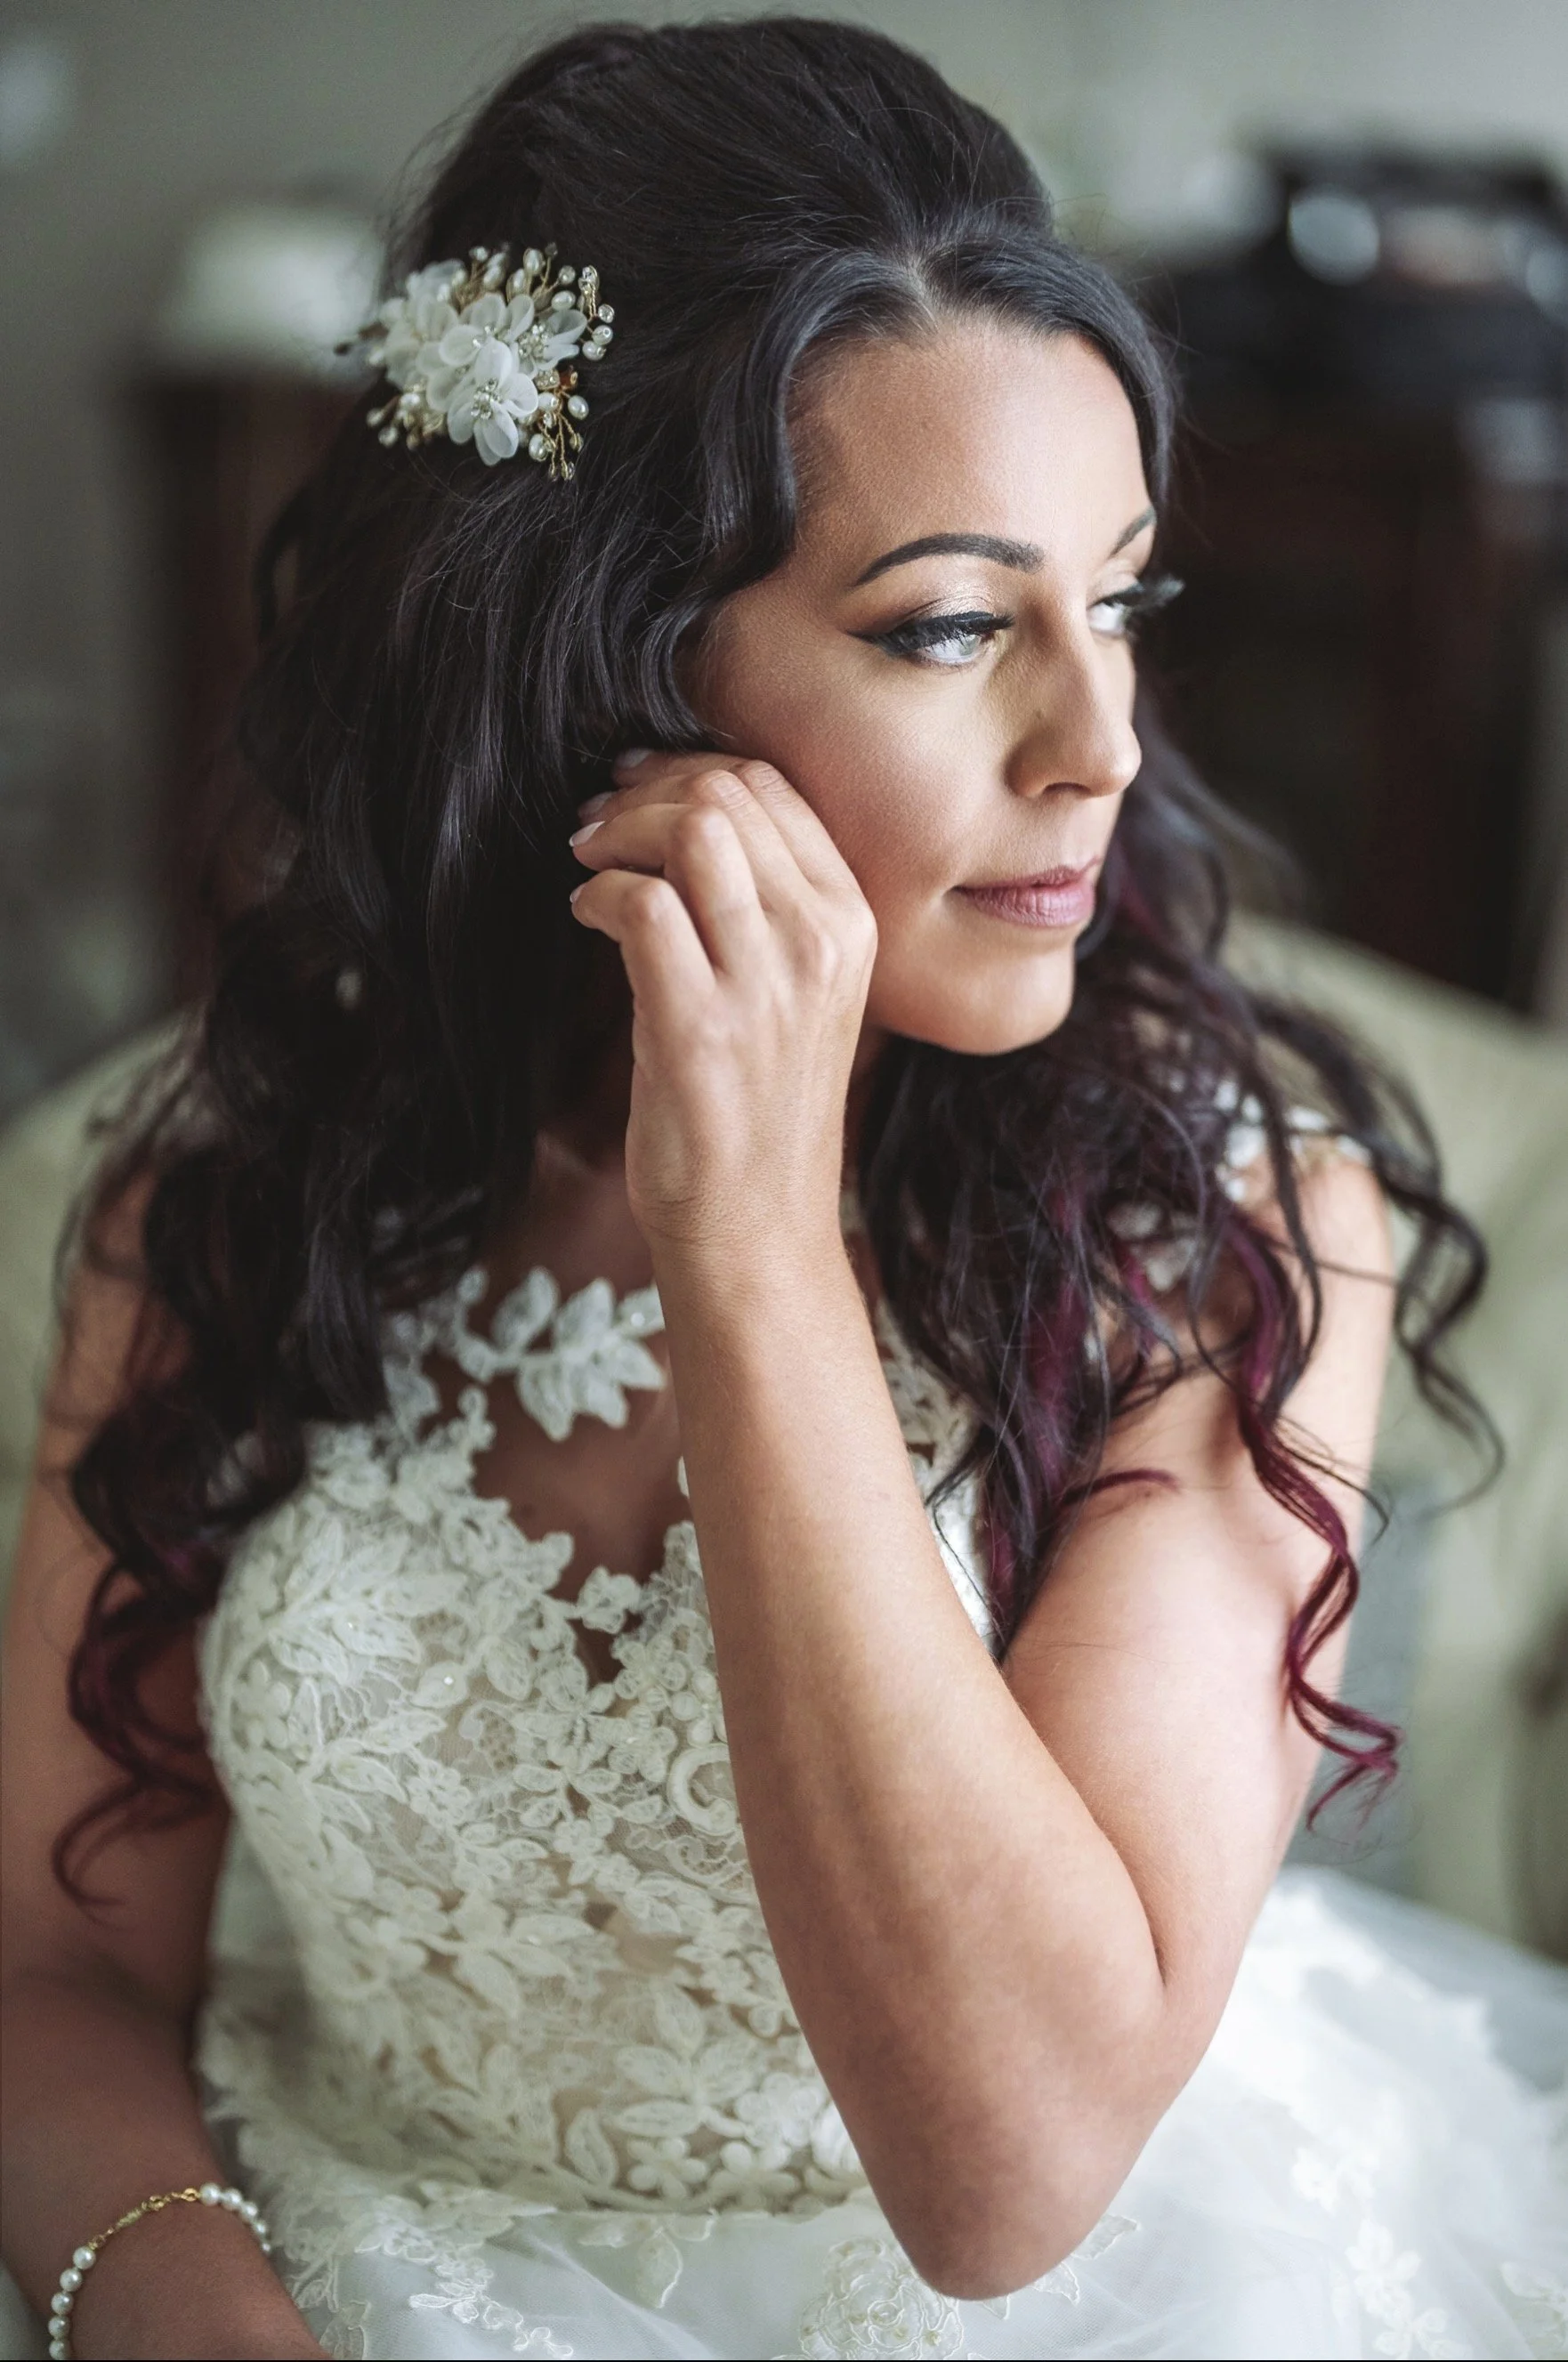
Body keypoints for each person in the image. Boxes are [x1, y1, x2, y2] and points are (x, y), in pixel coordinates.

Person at [2, 20, 1564, 2360]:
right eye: (950, 625)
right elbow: (52, 1965)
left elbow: (1007, 2168)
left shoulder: (1223, 1230)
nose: (1103, 745)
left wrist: (752, 1235)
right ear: (603, 675)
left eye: (1117, 599)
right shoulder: (224, 1197)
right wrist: (210, 2325)